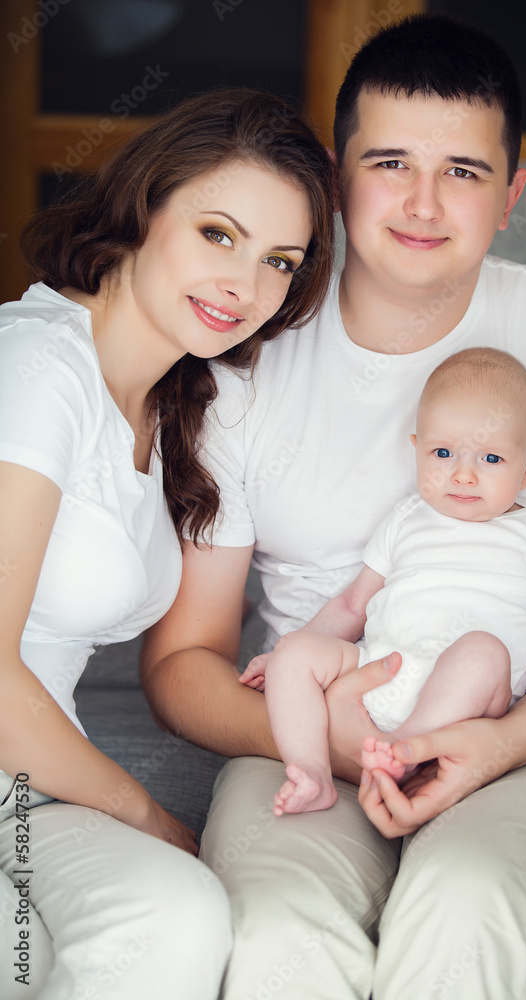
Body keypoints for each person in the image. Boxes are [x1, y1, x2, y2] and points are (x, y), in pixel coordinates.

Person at [141, 14, 526, 1000]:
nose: (424, 203)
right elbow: (180, 663)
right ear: (336, 178)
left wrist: (499, 738)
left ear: (511, 194)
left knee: (464, 908)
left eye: (463, 171)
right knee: (273, 937)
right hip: (309, 735)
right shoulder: (243, 360)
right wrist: (336, 740)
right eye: (390, 162)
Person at [0, 87, 334, 1000]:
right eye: (218, 234)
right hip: (24, 770)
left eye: (279, 261)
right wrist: (140, 810)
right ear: (145, 207)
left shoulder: (174, 405)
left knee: (175, 917)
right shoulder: (36, 367)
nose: (244, 285)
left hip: (22, 785)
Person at [240, 348, 526, 815]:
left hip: (469, 695)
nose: (463, 475)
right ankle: (311, 772)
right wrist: (294, 650)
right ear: (417, 450)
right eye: (443, 453)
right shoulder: (407, 518)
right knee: (294, 653)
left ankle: (402, 752)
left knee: (482, 648)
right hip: (380, 671)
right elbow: (352, 606)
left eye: (491, 457)